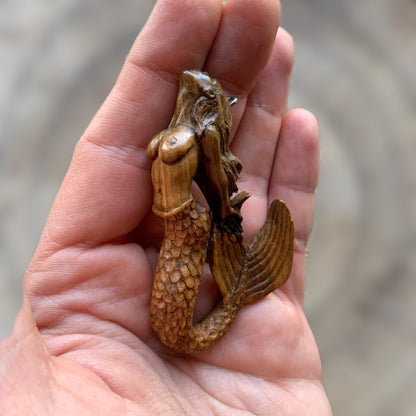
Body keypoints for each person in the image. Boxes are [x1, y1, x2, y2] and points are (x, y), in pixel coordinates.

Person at [0, 0, 332, 414]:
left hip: (187, 222)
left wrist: (225, 217)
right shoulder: (179, 128)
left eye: (207, 91)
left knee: (174, 323)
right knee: (170, 326)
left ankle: (233, 292)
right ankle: (225, 301)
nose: (194, 82)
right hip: (175, 221)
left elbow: (214, 175)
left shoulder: (199, 136)